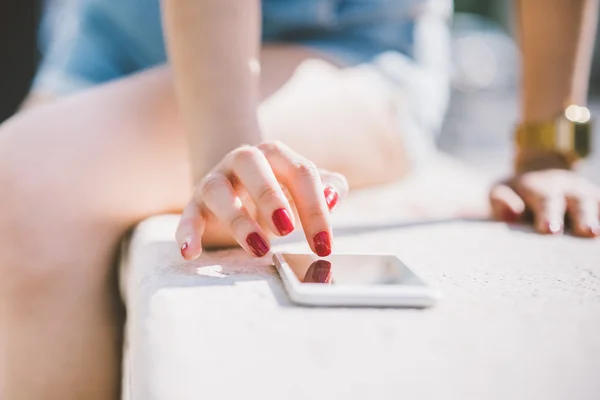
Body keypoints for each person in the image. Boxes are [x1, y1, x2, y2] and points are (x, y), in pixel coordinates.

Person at [0, 0, 598, 398]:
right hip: (105, 37)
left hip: (343, 50)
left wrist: (549, 145)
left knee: (24, 187)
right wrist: (228, 155)